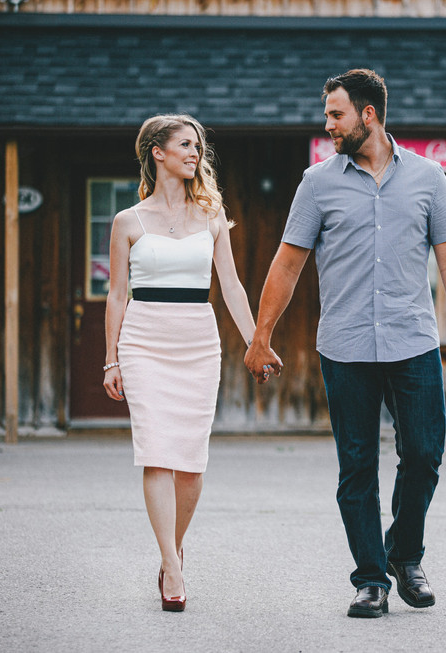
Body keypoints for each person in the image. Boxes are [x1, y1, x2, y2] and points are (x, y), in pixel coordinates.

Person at [245, 69, 446, 618]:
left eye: (336, 114)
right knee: (356, 467)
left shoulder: (429, 178)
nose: (327, 124)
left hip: (413, 341)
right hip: (346, 345)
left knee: (423, 455)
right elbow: (288, 264)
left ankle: (405, 555)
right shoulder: (317, 183)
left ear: (368, 115)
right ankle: (371, 578)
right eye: (328, 114)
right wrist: (261, 336)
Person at [102, 114, 256, 612]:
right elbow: (116, 295)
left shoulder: (212, 214)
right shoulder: (128, 221)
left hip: (197, 341)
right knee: (156, 451)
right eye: (186, 145)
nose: (196, 153)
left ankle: (174, 545)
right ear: (157, 152)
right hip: (143, 340)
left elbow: (230, 285)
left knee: (190, 463)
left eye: (198, 146)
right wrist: (111, 360)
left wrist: (257, 341)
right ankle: (171, 566)